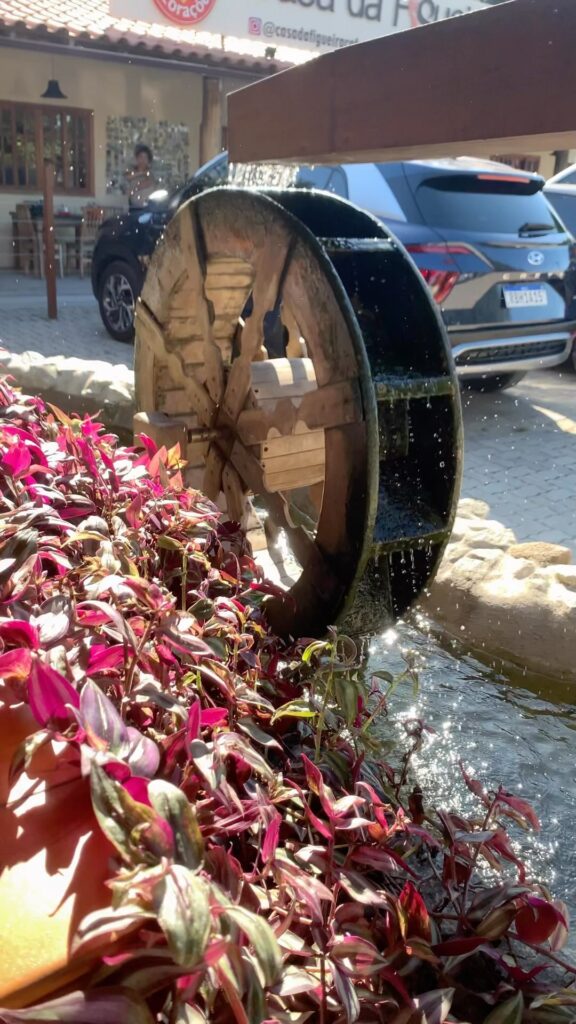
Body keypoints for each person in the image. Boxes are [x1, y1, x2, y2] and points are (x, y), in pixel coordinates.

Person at [125, 144, 158, 208]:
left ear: (148, 160)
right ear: (137, 159)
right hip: (134, 207)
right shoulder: (131, 172)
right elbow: (128, 177)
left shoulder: (151, 174)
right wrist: (141, 173)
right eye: (141, 157)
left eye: (145, 158)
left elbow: (152, 185)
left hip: (149, 206)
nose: (143, 160)